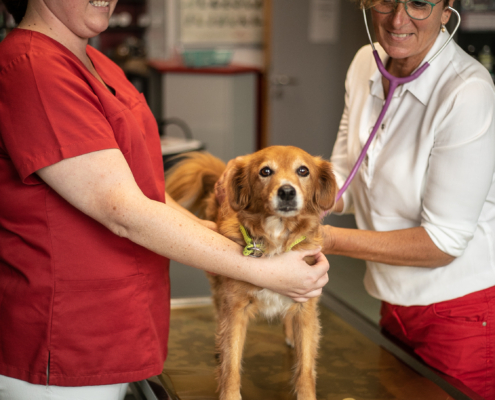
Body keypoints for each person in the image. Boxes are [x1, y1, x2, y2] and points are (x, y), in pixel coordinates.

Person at [0, 0, 330, 399]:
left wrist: (211, 230)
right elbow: (123, 210)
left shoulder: (95, 63)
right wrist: (265, 272)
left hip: (119, 321)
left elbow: (143, 191)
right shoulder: (35, 67)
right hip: (66, 335)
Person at [322, 0, 495, 398]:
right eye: (385, 0)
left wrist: (326, 240)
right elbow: (344, 176)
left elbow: (444, 241)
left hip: (461, 312)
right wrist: (287, 194)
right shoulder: (365, 63)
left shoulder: (467, 92)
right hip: (389, 297)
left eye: (419, 2)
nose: (398, 20)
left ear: (447, 8)